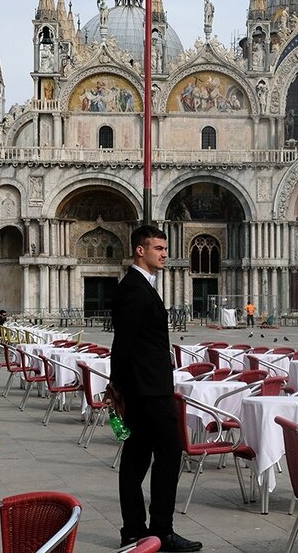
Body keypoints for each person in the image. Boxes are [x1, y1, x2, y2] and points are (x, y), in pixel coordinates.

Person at [110, 224, 201, 552]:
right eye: (159, 249)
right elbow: (123, 344)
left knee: (136, 457)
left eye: (164, 249)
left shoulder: (139, 286)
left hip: (144, 387)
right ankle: (161, 530)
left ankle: (134, 531)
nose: (165, 254)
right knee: (169, 451)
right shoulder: (134, 289)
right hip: (147, 391)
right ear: (140, 250)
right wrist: (117, 388)